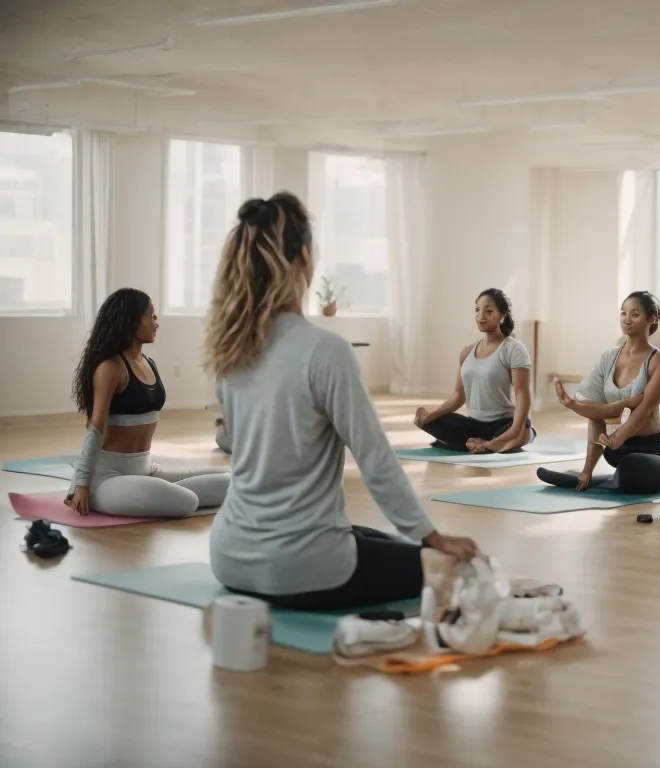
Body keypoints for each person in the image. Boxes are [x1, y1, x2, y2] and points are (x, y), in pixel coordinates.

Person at [206, 193, 479, 610]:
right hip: (300, 570)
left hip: (230, 557)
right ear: (305, 255)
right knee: (442, 564)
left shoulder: (230, 350)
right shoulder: (325, 351)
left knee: (366, 536)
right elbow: (376, 461)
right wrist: (434, 538)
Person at [63, 288, 229, 518]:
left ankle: (166, 494)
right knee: (187, 502)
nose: (156, 320)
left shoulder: (149, 363)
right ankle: (170, 495)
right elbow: (96, 428)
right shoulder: (110, 368)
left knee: (232, 479)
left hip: (145, 468)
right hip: (107, 477)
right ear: (132, 320)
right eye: (151, 314)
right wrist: (81, 484)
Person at [541, 292, 660, 494]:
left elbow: (644, 410)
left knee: (632, 465)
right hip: (619, 452)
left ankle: (610, 480)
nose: (627, 319)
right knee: (626, 463)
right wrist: (587, 471)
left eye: (635, 314)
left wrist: (618, 437)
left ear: (651, 319)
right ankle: (592, 478)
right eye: (623, 313)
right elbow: (595, 414)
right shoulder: (608, 358)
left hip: (655, 454)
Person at [413, 289, 537, 453]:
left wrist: (514, 431)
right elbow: (458, 396)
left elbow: (522, 394)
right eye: (477, 310)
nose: (481, 316)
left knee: (521, 430)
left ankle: (495, 442)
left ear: (502, 316)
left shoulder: (514, 349)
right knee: (428, 419)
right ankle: (486, 444)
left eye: (489, 311)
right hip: (472, 425)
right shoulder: (467, 353)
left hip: (503, 424)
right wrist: (431, 416)